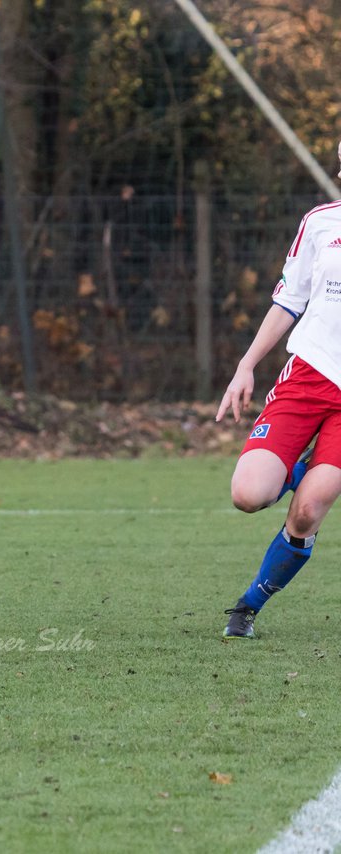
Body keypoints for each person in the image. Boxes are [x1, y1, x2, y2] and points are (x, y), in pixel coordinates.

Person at [214, 141, 341, 639]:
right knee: (248, 494)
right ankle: (306, 467)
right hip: (308, 375)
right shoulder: (321, 223)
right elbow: (289, 300)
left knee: (308, 511)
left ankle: (247, 607)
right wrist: (246, 365)